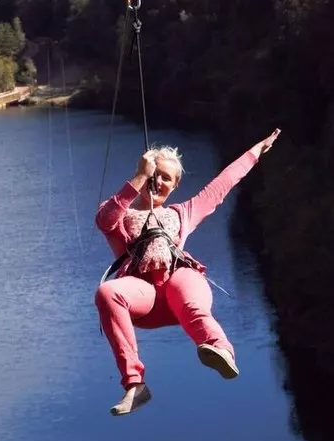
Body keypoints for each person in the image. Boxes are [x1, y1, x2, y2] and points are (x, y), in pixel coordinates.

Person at [94, 129, 281, 416]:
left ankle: (219, 348)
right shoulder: (121, 213)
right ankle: (135, 385)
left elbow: (222, 184)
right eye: (154, 173)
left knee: (185, 285)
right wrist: (138, 178)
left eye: (166, 177)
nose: (158, 180)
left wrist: (254, 153)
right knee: (108, 292)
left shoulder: (183, 213)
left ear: (175, 185)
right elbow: (105, 219)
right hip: (146, 299)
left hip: (179, 287)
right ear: (143, 171)